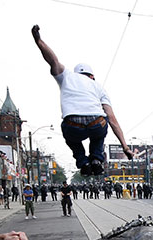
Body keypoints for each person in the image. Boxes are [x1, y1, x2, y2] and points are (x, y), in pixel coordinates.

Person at [31, 25, 133, 176]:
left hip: (73, 124)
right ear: (92, 76)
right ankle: (96, 160)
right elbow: (112, 119)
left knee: (70, 137)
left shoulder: (67, 76)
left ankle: (83, 161)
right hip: (96, 122)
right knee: (100, 131)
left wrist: (39, 41)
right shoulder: (99, 87)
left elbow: (53, 60)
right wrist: (125, 147)